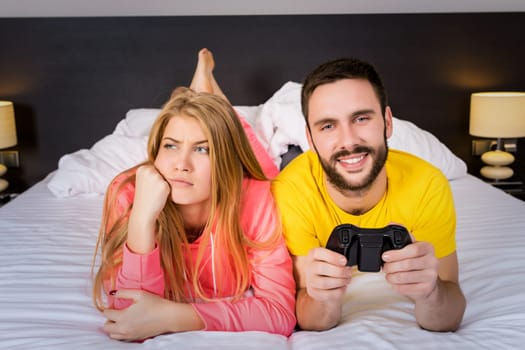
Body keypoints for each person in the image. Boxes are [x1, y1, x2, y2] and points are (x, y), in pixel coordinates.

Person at [92, 48, 296, 341]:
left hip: (239, 175)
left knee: (253, 153)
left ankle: (205, 82)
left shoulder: (255, 195)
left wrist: (174, 317)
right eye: (170, 146)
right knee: (202, 121)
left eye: (203, 149)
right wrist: (142, 221)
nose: (181, 166)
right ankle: (200, 91)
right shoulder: (126, 192)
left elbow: (279, 313)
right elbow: (129, 318)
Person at [271, 57, 466, 332]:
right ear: (310, 138)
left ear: (387, 122)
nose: (349, 141)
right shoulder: (290, 191)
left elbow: (448, 316)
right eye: (328, 126)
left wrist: (431, 291)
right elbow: (312, 319)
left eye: (361, 118)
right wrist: (322, 296)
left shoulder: (428, 184)